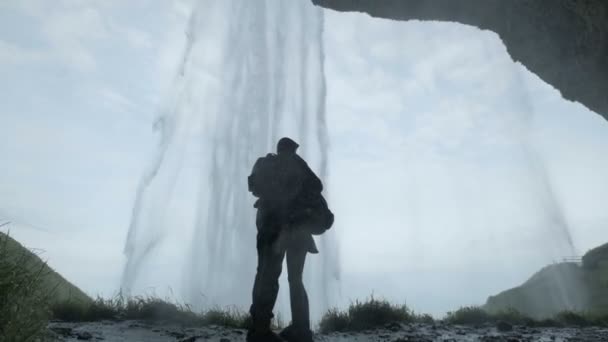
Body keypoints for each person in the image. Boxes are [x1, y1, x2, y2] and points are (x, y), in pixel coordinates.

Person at [247, 137, 322, 342]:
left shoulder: (265, 164)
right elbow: (317, 186)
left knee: (265, 275)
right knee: (295, 279)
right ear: (290, 150)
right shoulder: (296, 164)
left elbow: (253, 187)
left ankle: (260, 330)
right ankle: (301, 329)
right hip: (296, 228)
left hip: (270, 226)